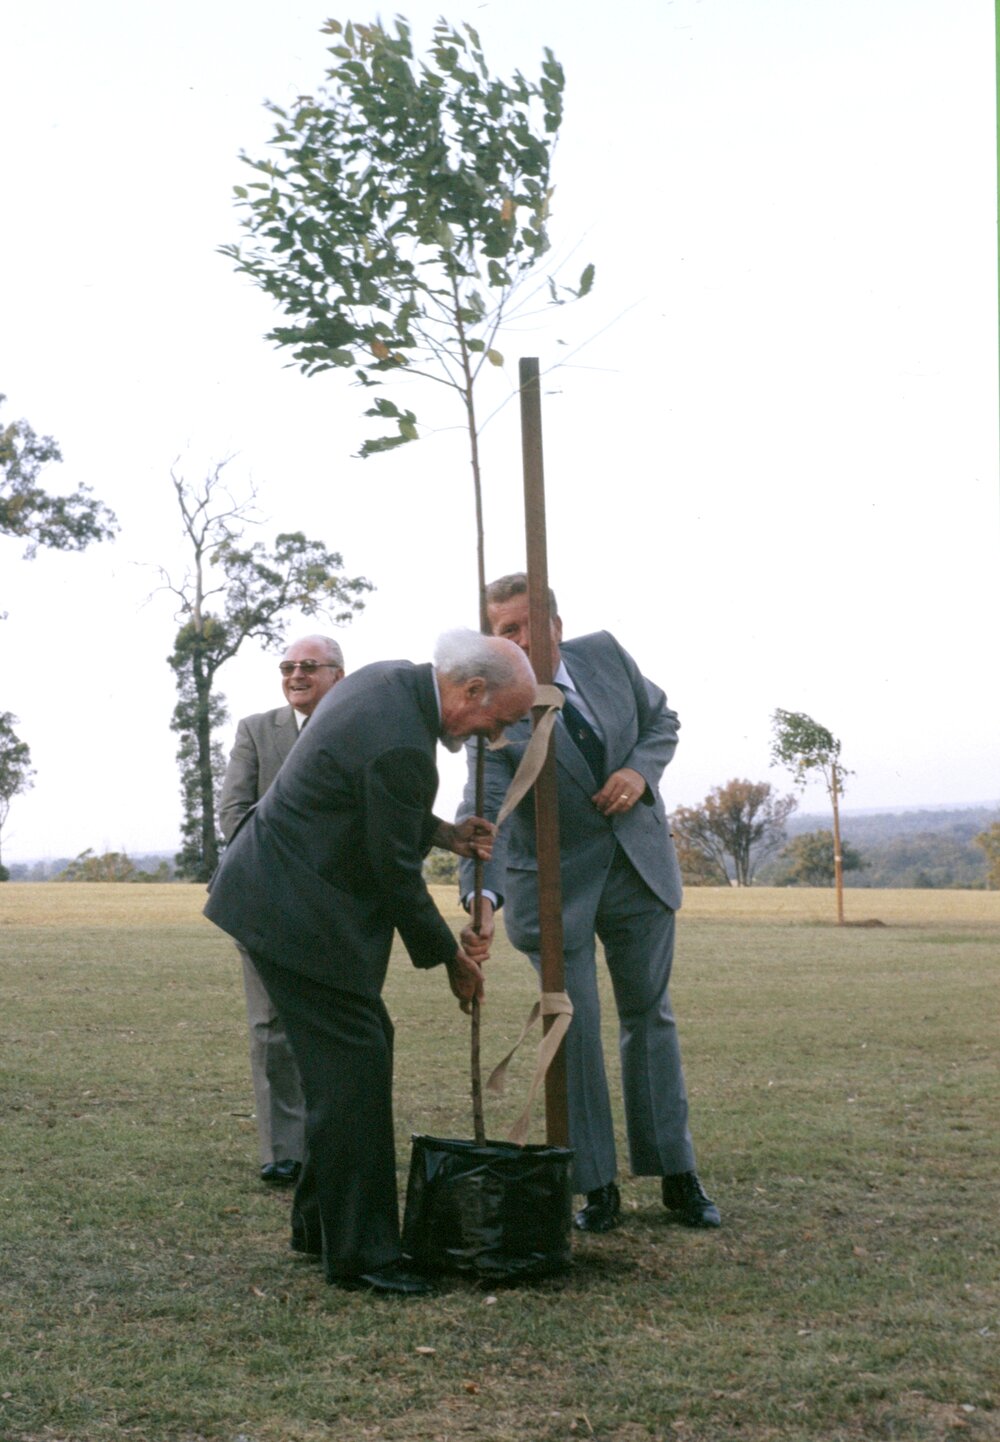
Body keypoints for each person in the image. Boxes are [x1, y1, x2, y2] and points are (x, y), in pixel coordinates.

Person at [204, 629, 537, 1296]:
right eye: (496, 721)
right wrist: (450, 957)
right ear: (470, 690)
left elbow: (366, 796)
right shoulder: (402, 744)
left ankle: (319, 1227)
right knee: (353, 1067)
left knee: (355, 1056)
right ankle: (364, 1257)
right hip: (295, 912)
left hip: (277, 898)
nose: (494, 737)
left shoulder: (390, 683)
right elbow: (391, 872)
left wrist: (442, 832)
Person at [458, 573, 720, 1233]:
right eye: (500, 633)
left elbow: (662, 720)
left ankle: (676, 1175)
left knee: (649, 1018)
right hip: (551, 887)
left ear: (554, 623)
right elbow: (482, 802)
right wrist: (480, 893)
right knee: (570, 1029)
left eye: (520, 626)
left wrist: (638, 771)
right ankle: (592, 1185)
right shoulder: (489, 702)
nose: (512, 642)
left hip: (638, 869)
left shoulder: (606, 655)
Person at [218, 633, 345, 1187]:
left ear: (338, 674)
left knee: (334, 1028)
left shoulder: (356, 726)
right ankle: (282, 1152)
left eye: (309, 666)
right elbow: (234, 813)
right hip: (264, 900)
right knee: (270, 1028)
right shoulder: (255, 730)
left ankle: (334, 1143)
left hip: (337, 906)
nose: (296, 675)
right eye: (288, 666)